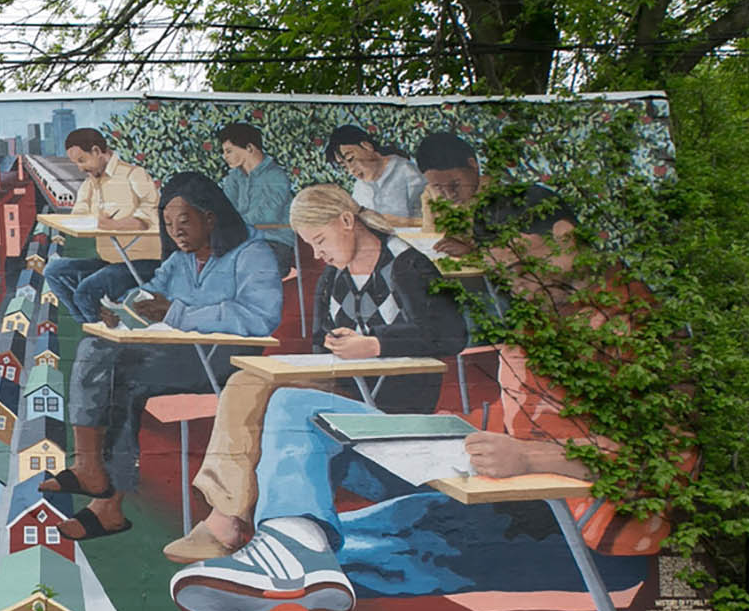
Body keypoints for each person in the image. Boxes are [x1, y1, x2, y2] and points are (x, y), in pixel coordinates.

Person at [167, 276, 668, 611]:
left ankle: (283, 562)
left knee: (327, 563)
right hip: (498, 497)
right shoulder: (534, 330)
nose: (517, 285)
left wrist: (530, 458)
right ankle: (291, 545)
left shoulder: (637, 334)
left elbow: (657, 458)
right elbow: (522, 418)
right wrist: (445, 429)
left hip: (576, 536)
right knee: (298, 407)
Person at [161, 183, 470, 565]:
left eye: (319, 240)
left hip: (396, 402)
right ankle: (227, 515)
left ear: (346, 221)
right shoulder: (334, 276)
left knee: (272, 399)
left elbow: (452, 332)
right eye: (309, 245)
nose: (316, 254)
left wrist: (374, 344)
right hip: (349, 387)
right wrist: (336, 347)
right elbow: (321, 341)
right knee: (246, 383)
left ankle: (231, 524)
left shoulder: (406, 264)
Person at [40, 172, 283, 540]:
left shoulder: (253, 254)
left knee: (125, 375)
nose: (176, 232)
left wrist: (177, 313)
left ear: (210, 218)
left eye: (184, 221)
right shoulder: (182, 258)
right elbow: (152, 291)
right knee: (96, 350)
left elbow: (260, 316)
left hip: (225, 360)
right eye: (168, 224)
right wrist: (124, 309)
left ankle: (106, 503)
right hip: (181, 351)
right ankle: (91, 471)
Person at [41, 127, 162, 318]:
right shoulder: (90, 184)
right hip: (110, 261)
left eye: (82, 160)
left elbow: (151, 215)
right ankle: (91, 324)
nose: (80, 168)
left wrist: (116, 225)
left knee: (85, 292)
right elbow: (78, 216)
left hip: (143, 263)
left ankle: (99, 332)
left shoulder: (134, 174)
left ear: (97, 152)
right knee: (53, 271)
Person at [414, 131, 578, 263]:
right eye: (437, 186)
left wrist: (471, 252)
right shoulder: (433, 197)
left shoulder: (502, 199)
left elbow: (511, 255)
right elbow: (432, 234)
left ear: (473, 165)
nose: (449, 194)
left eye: (455, 184)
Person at [215, 121, 295, 266]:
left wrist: (233, 224)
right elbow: (224, 211)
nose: (224, 156)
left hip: (274, 243)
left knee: (242, 265)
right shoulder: (234, 178)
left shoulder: (276, 176)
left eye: (229, 151)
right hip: (242, 243)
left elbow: (267, 216)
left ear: (249, 148)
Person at [324, 124, 426, 224]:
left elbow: (426, 218)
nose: (351, 170)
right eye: (344, 166)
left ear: (367, 146)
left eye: (351, 159)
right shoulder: (359, 188)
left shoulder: (405, 170)